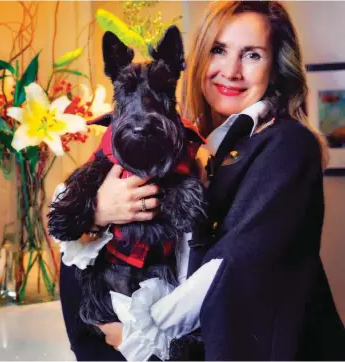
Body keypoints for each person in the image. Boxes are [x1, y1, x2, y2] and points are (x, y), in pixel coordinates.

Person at [54, 1, 345, 360]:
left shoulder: (287, 145)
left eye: (252, 55)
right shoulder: (188, 144)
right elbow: (73, 232)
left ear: (276, 67)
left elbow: (230, 268)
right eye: (218, 50)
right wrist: (98, 211)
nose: (231, 70)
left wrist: (138, 332)